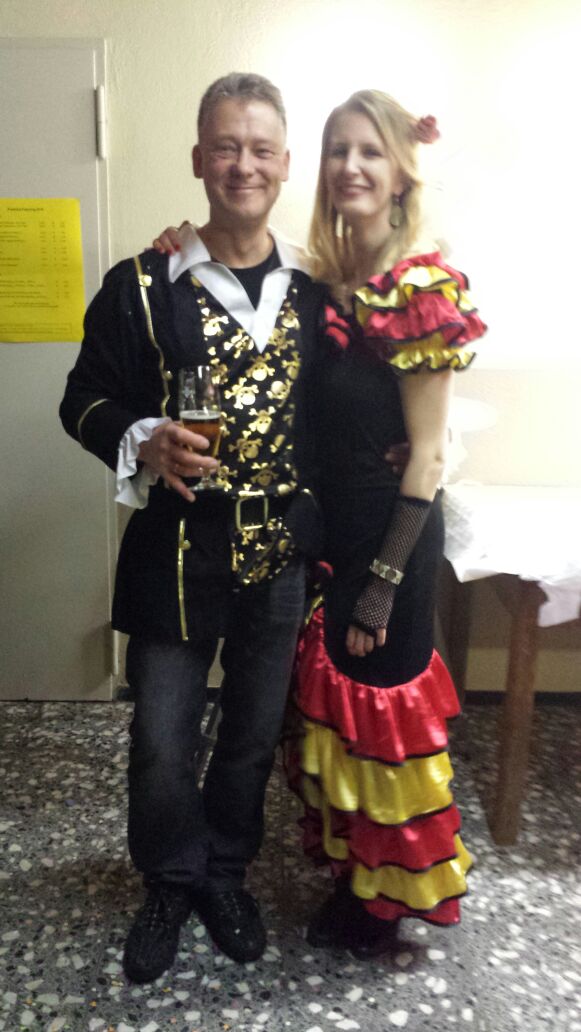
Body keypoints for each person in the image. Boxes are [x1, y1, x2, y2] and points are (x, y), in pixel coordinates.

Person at [60, 73, 327, 984]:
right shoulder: (142, 284)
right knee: (163, 738)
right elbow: (81, 398)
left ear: (283, 165)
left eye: (259, 148)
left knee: (251, 733)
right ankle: (170, 881)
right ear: (198, 160)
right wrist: (142, 436)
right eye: (224, 146)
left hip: (279, 552)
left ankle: (224, 874)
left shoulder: (316, 291)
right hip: (174, 551)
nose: (241, 164)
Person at [284, 90, 487, 958]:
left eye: (369, 151)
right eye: (337, 150)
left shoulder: (418, 287)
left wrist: (382, 586)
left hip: (388, 544)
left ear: (401, 172)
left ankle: (382, 906)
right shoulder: (321, 284)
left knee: (381, 720)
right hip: (330, 537)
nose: (350, 167)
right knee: (339, 713)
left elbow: (428, 459)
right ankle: (354, 874)